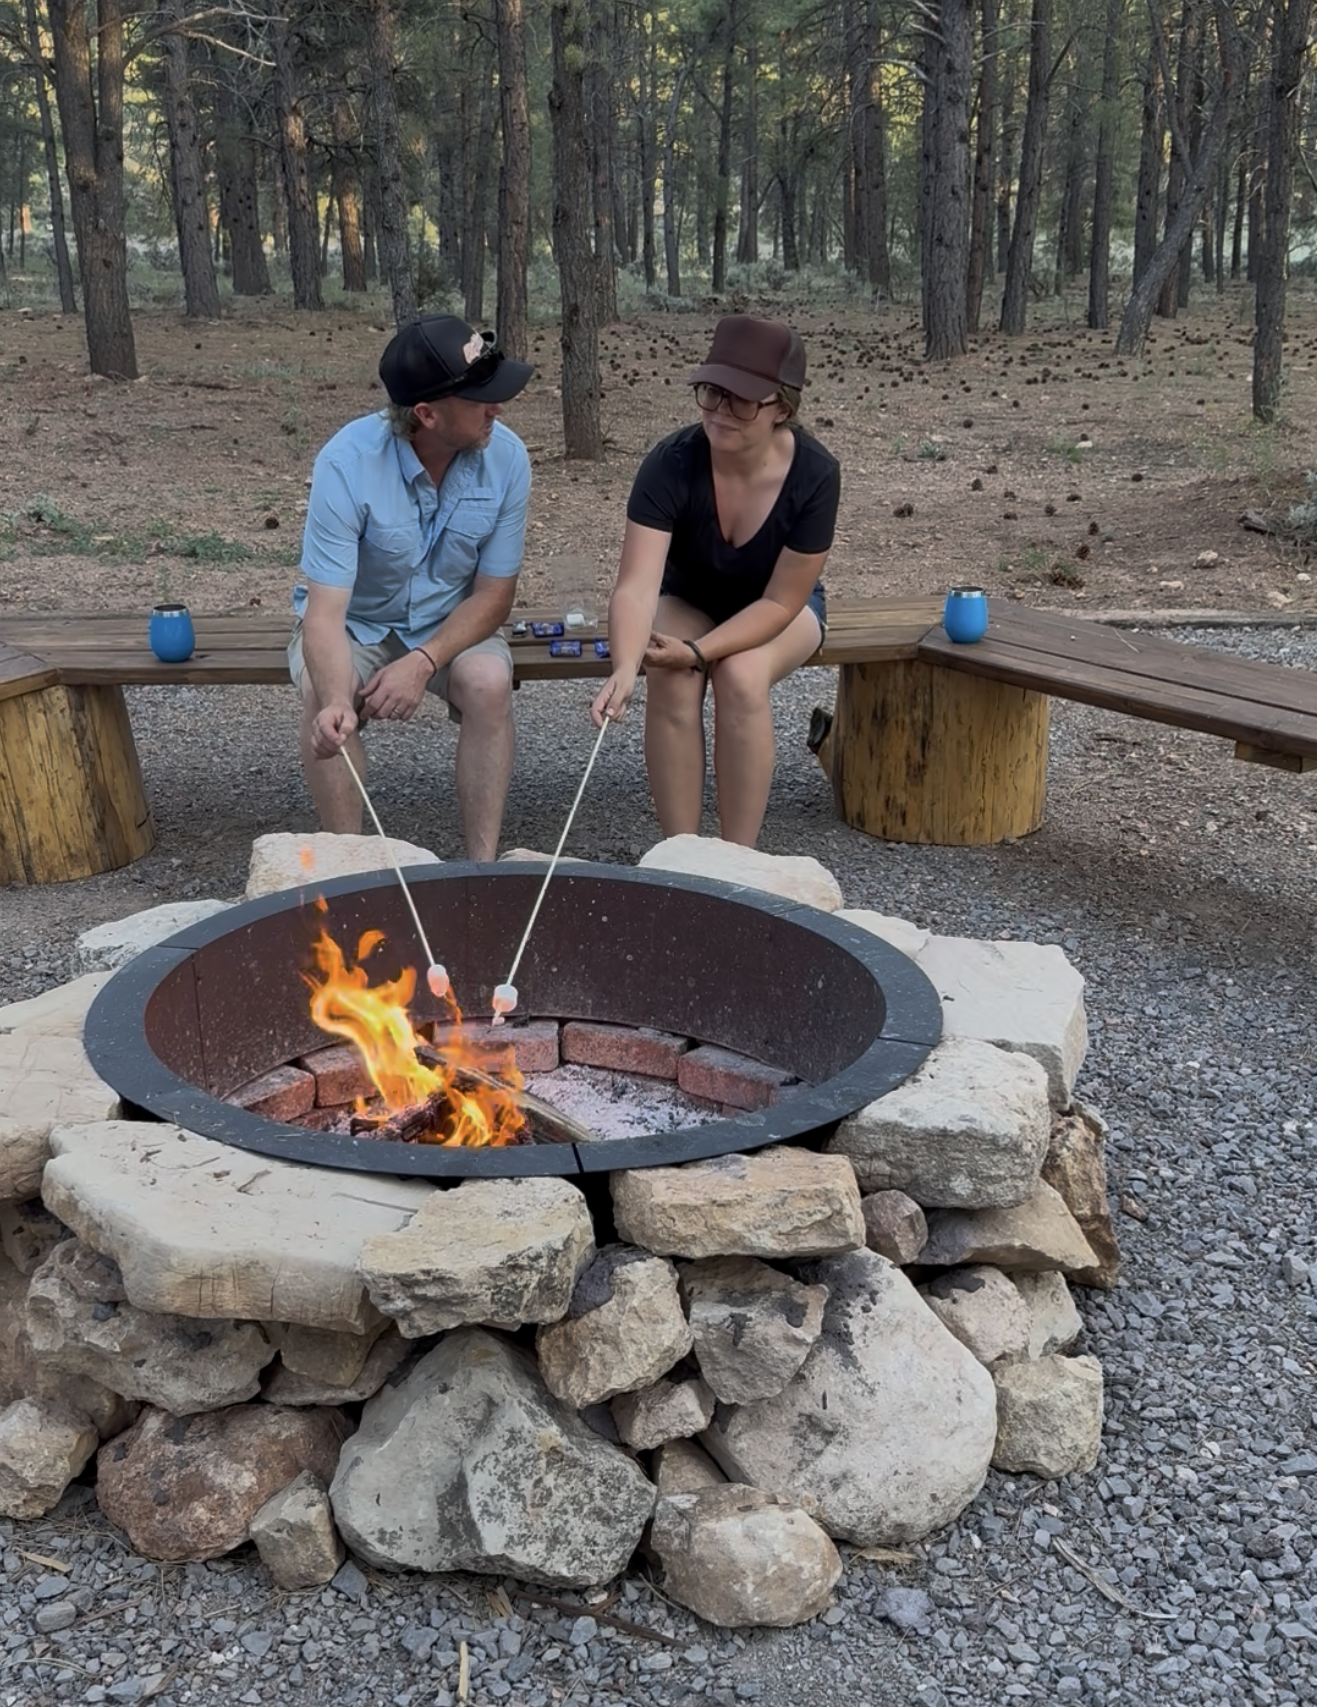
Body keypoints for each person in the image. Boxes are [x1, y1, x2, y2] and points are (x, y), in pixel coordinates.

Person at [289, 314, 533, 862]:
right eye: (482, 398)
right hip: (358, 622)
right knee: (326, 699)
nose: (498, 408)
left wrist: (424, 661)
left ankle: (482, 868)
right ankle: (347, 871)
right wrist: (333, 701)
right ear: (426, 414)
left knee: (489, 682)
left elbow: (494, 597)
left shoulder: (509, 459)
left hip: (452, 622)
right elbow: (325, 615)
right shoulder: (346, 464)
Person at [591, 314, 839, 847]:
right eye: (712, 393)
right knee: (670, 672)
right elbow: (636, 585)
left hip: (782, 608)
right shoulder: (670, 462)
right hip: (688, 597)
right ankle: (684, 861)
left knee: (741, 676)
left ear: (783, 409)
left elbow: (780, 601)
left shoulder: (816, 474)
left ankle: (736, 865)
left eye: (743, 399)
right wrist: (625, 667)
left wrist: (702, 650)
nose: (721, 411)